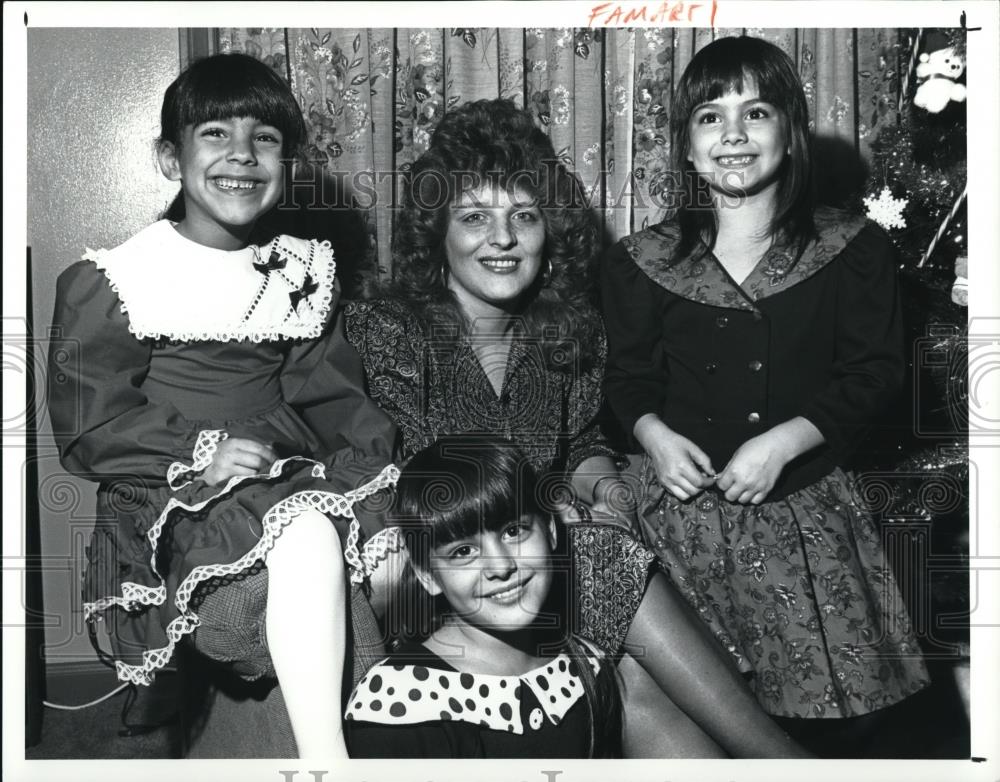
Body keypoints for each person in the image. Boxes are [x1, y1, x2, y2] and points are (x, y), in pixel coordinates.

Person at [346, 98, 807, 757]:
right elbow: (418, 470)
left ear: (550, 235)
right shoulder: (388, 329)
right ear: (437, 233)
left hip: (532, 558)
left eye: (524, 217)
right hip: (444, 570)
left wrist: (604, 486)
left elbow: (585, 441)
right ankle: (784, 760)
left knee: (627, 674)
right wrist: (552, 507)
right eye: (474, 218)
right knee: (597, 554)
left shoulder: (568, 332)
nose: (501, 240)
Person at [46, 53, 398, 759]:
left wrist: (379, 496)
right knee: (304, 536)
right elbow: (90, 424)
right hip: (176, 489)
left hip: (285, 467)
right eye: (215, 133)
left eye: (265, 137)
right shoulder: (117, 278)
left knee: (359, 555)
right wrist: (197, 450)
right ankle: (330, 761)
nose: (242, 154)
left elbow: (329, 394)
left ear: (288, 160)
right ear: (170, 158)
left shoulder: (301, 268)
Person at [601, 36, 930, 756]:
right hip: (675, 515)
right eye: (711, 118)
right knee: (680, 700)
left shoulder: (853, 248)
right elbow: (626, 380)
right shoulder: (642, 260)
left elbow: (875, 373)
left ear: (791, 129)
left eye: (756, 112)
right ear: (686, 147)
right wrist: (653, 435)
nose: (734, 136)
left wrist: (786, 440)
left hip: (803, 513)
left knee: (813, 712)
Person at [344, 436, 622, 758]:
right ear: (428, 576)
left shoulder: (587, 665)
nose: (501, 566)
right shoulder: (401, 701)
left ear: (551, 530)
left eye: (514, 531)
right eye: (463, 551)